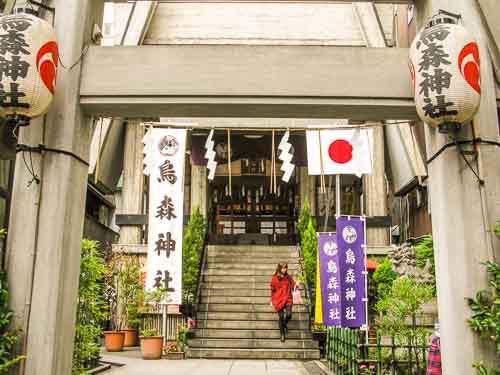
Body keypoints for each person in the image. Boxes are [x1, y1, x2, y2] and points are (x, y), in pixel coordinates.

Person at [269, 262, 299, 342]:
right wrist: (271, 300)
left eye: (286, 268)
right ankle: (282, 334)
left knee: (289, 315)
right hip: (278, 299)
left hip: (288, 298)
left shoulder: (288, 277)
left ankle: (284, 324)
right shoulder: (274, 278)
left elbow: (293, 285)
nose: (284, 269)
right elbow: (272, 290)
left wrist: (296, 284)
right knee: (281, 317)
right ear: (279, 268)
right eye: (283, 268)